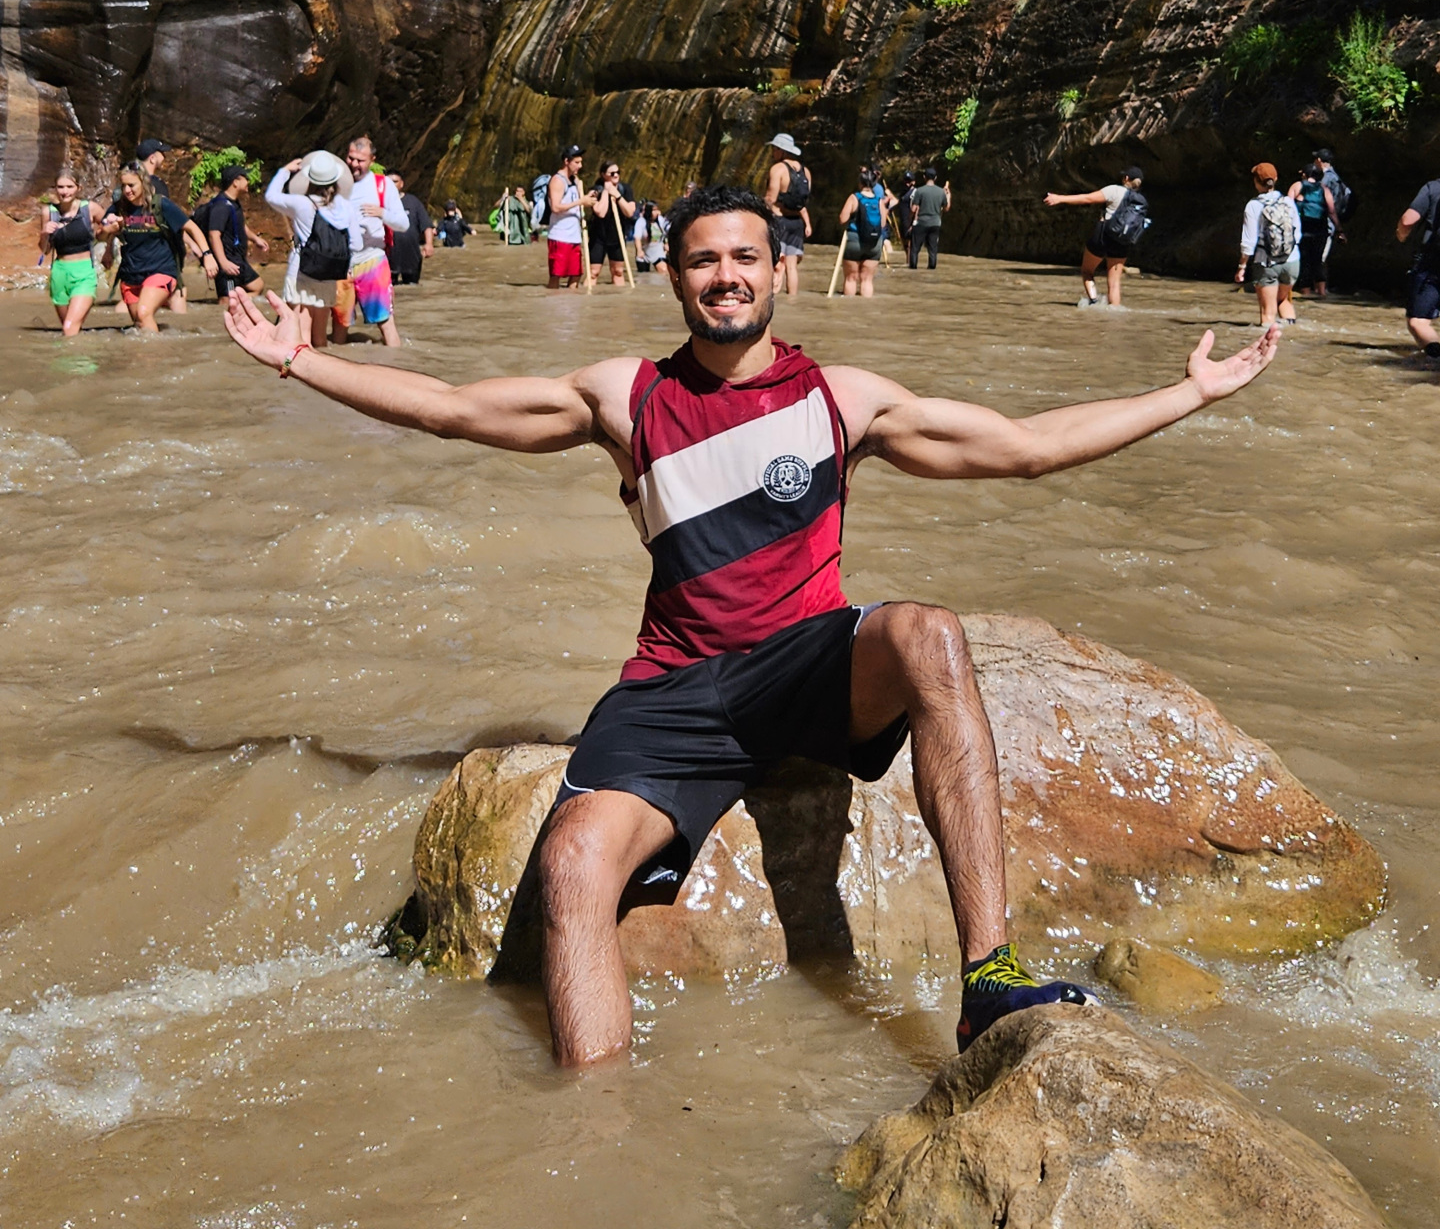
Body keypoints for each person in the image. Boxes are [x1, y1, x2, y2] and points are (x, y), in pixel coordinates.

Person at [220, 184, 1280, 1067]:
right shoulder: (625, 398)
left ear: (778, 272)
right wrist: (298, 362)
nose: (724, 276)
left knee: (927, 634)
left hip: (806, 668)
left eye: (743, 258)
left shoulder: (842, 400)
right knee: (575, 859)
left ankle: (989, 979)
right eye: (702, 261)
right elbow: (454, 410)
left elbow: (1027, 447)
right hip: (673, 688)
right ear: (673, 278)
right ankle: (593, 1140)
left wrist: (1188, 395)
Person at [100, 163, 213, 333]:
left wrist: (207, 254)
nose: (127, 190)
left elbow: (192, 228)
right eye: (123, 186)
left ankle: (154, 350)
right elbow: (100, 236)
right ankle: (156, 347)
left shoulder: (161, 205)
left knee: (144, 313)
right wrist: (107, 230)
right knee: (139, 323)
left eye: (131, 185)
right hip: (131, 273)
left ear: (143, 182)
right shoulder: (119, 207)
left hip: (161, 269)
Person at [265, 151, 358, 348]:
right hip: (330, 273)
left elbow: (271, 196)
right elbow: (356, 244)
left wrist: (284, 171)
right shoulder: (346, 206)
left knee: (301, 333)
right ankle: (321, 365)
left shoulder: (302, 203)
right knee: (320, 337)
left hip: (302, 270)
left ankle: (293, 366)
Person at [331, 134, 408, 347]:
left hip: (371, 259)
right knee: (340, 322)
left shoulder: (383, 185)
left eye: (360, 160)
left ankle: (396, 362)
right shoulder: (336, 184)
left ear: (372, 160)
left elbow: (403, 224)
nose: (354, 164)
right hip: (341, 262)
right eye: (351, 158)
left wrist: (382, 213)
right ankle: (335, 361)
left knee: (385, 321)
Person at [1042, 169, 1147, 308]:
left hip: (1103, 236)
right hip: (1122, 242)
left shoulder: (1114, 190)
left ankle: (1093, 301)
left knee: (1087, 271)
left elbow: (1087, 198)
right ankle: (1114, 312)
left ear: (1126, 178)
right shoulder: (1141, 201)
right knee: (1114, 283)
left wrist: (1060, 198)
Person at [135, 138, 206, 312]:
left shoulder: (131, 183)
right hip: (161, 252)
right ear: (152, 158)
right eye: (161, 153)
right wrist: (193, 245)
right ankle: (180, 324)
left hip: (137, 252)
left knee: (139, 295)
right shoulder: (157, 185)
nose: (164, 157)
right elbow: (168, 220)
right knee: (177, 292)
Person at [37, 169, 108, 334]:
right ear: (55, 189)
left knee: (69, 328)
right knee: (70, 329)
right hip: (59, 274)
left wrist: (108, 250)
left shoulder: (90, 208)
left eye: (69, 187)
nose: (65, 191)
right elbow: (45, 250)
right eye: (60, 187)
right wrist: (44, 233)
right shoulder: (48, 212)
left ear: (78, 188)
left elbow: (111, 228)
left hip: (84, 273)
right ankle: (80, 351)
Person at [1236, 162, 1299, 326]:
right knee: (1283, 300)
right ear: (1276, 179)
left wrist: (1242, 267)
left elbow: (1249, 242)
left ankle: (1268, 340)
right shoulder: (1288, 201)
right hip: (1292, 262)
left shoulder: (1253, 206)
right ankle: (1293, 334)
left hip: (1267, 263)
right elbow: (1297, 234)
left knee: (1268, 313)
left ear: (1256, 182)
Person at [207, 165, 269, 300]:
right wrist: (223, 262)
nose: (248, 181)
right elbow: (214, 235)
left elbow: (241, 225)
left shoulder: (233, 203)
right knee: (227, 299)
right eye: (245, 178)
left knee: (257, 286)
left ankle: (239, 305)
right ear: (235, 182)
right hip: (228, 262)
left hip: (238, 259)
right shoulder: (221, 206)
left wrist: (255, 239)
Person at [1395, 174, 1440, 358]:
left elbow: (1407, 221)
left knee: (1418, 321)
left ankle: (1436, 356)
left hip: (1433, 262)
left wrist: (1401, 234)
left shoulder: (1433, 188)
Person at [763, 134, 812, 298]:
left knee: (776, 262)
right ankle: (792, 300)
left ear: (781, 150)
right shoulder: (806, 172)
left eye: (774, 149)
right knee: (791, 267)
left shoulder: (778, 169)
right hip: (796, 222)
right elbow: (804, 201)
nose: (772, 152)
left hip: (779, 220)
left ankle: (772, 300)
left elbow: (771, 198)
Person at [838, 167, 896, 298]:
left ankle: (848, 307)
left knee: (851, 278)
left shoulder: (854, 198)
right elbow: (883, 224)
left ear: (860, 183)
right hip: (874, 243)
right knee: (867, 280)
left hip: (855, 241)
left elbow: (842, 219)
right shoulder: (879, 200)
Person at [1287, 164, 1336, 297]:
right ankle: (1322, 293)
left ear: (1304, 174)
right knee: (1318, 260)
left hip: (1303, 230)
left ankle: (1306, 293)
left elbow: (1287, 208)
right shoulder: (1324, 189)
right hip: (1320, 231)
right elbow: (1331, 211)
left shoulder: (1297, 186)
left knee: (1304, 261)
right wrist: (1340, 230)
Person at [586, 162, 637, 287]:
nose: (616, 175)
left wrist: (617, 195)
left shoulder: (625, 189)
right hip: (598, 236)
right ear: (603, 175)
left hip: (617, 236)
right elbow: (601, 212)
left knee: (618, 271)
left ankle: (619, 298)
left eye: (618, 172)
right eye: (612, 173)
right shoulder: (595, 190)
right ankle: (588, 295)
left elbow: (630, 212)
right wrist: (606, 191)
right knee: (593, 272)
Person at [547, 145, 587, 289]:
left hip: (574, 236)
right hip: (560, 236)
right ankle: (553, 299)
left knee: (576, 275)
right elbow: (555, 207)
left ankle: (571, 300)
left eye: (581, 162)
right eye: (577, 162)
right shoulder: (557, 180)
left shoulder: (575, 180)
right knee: (556, 275)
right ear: (566, 161)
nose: (580, 166)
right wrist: (581, 201)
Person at [388, 174, 436, 285]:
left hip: (411, 255)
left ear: (401, 184)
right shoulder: (379, 202)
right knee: (388, 288)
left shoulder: (413, 202)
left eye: (395, 181)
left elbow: (426, 225)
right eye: (388, 182)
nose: (391, 185)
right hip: (388, 256)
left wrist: (429, 244)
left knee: (412, 287)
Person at [1313, 147, 1349, 292]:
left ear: (1319, 160)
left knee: (1320, 258)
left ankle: (1320, 291)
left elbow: (1328, 205)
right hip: (1331, 223)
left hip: (1325, 222)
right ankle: (1321, 289)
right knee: (1322, 257)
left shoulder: (1326, 179)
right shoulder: (1337, 177)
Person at [908, 168, 951, 270]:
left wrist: (910, 219)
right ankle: (931, 268)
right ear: (935, 178)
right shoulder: (941, 192)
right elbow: (946, 208)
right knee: (932, 249)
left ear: (924, 177)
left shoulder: (919, 191)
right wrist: (948, 196)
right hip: (935, 223)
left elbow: (913, 209)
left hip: (921, 223)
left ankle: (913, 268)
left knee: (915, 249)